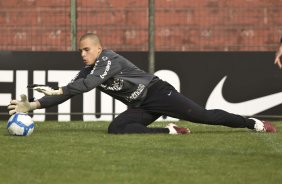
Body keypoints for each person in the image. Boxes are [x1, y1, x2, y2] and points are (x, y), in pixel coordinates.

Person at [8, 33, 277, 134]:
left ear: (99, 49)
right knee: (117, 128)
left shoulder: (109, 59)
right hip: (141, 104)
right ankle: (169, 131)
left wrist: (60, 88)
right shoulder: (87, 71)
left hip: (158, 93)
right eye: (80, 50)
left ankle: (252, 123)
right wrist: (32, 104)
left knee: (203, 116)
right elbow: (69, 94)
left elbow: (89, 85)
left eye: (87, 49)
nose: (83, 53)